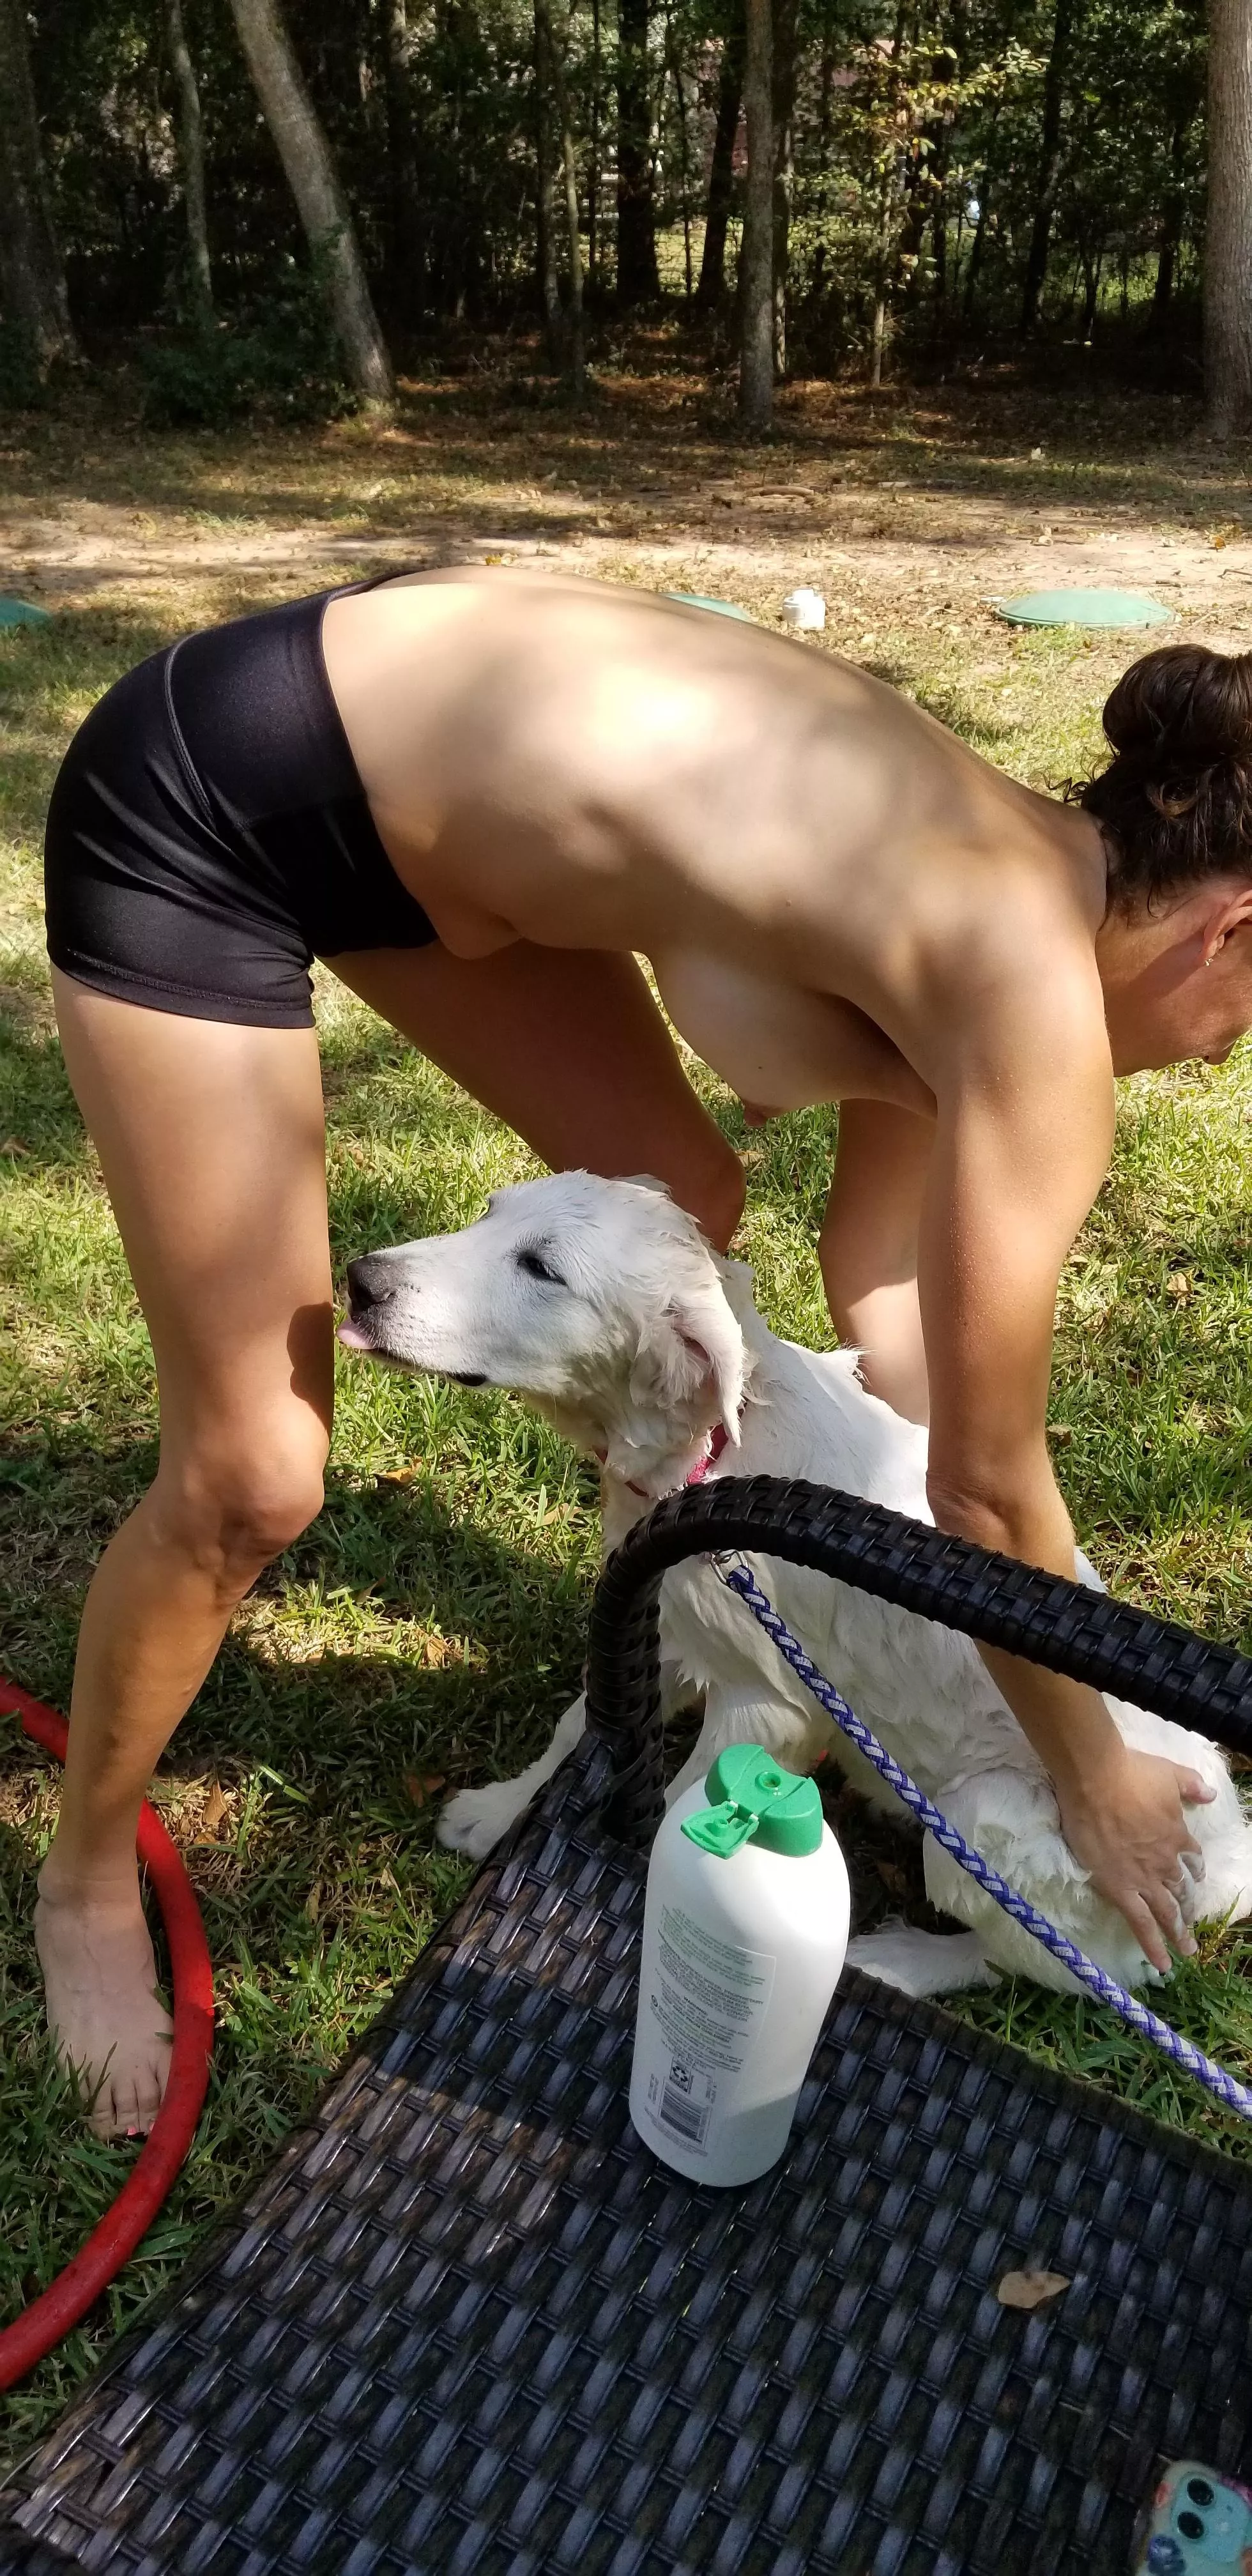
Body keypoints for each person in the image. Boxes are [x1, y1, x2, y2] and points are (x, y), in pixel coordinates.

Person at [38, 568, 1252, 2136]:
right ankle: (81, 1883)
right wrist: (1088, 1776)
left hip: (394, 796)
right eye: (1235, 1034)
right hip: (214, 791)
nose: (1210, 1060)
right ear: (1233, 926)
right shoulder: (1024, 990)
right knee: (252, 1478)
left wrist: (1039, 1630)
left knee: (686, 1215)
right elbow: (986, 1493)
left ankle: (680, 1574)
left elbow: (884, 1313)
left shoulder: (1014, 875)